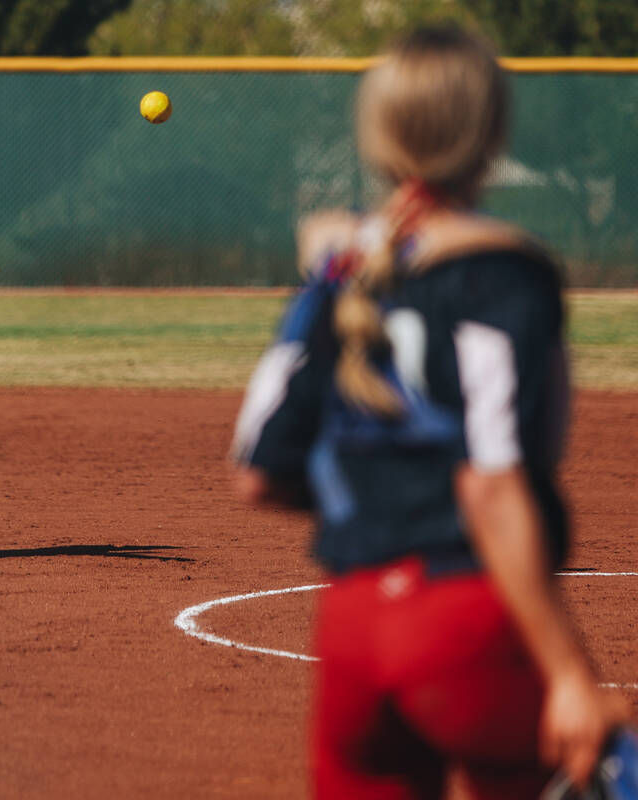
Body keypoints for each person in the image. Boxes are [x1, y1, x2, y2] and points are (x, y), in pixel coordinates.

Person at [229, 25, 629, 799]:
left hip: (350, 630)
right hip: (464, 621)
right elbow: (492, 483)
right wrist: (572, 677)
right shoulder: (506, 272)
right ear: (489, 138)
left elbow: (256, 473)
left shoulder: (341, 277)